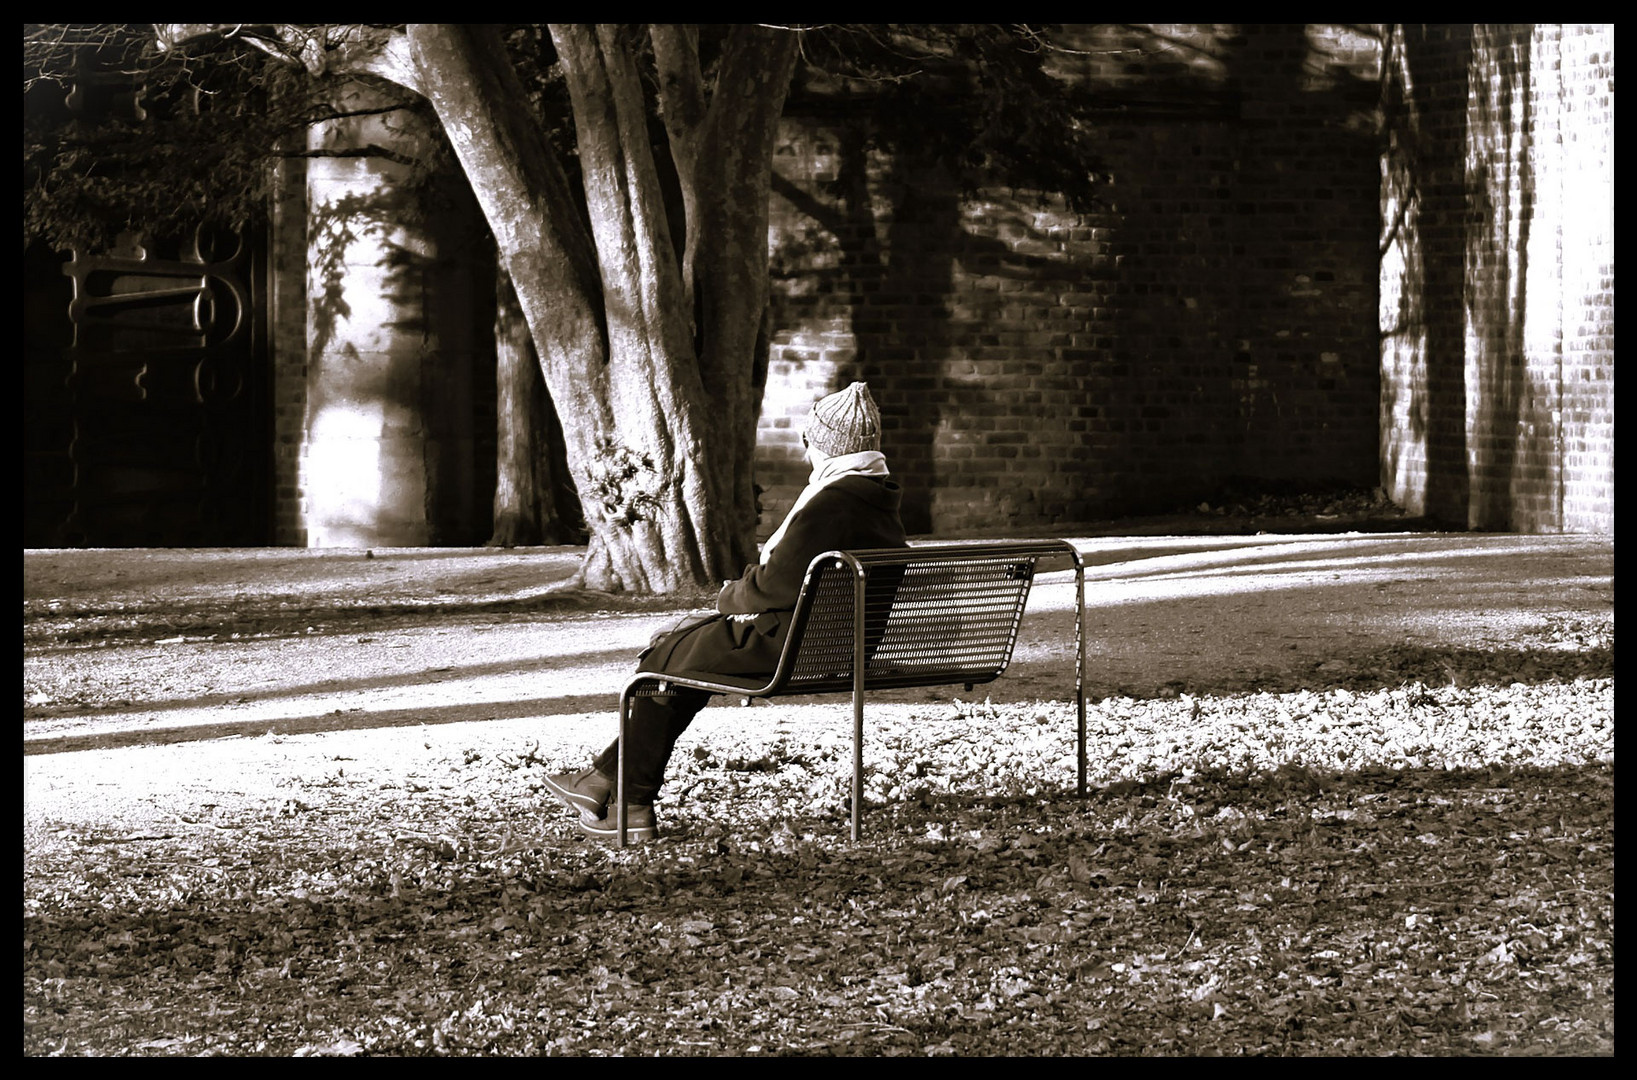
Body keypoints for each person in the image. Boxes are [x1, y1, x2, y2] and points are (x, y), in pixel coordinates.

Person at [545, 382, 908, 842]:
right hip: (830, 645)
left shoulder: (835, 503)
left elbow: (774, 583)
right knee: (679, 657)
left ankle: (629, 802)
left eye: (809, 441)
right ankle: (605, 782)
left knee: (664, 661)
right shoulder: (877, 496)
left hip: (789, 648)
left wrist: (725, 598)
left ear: (823, 445)